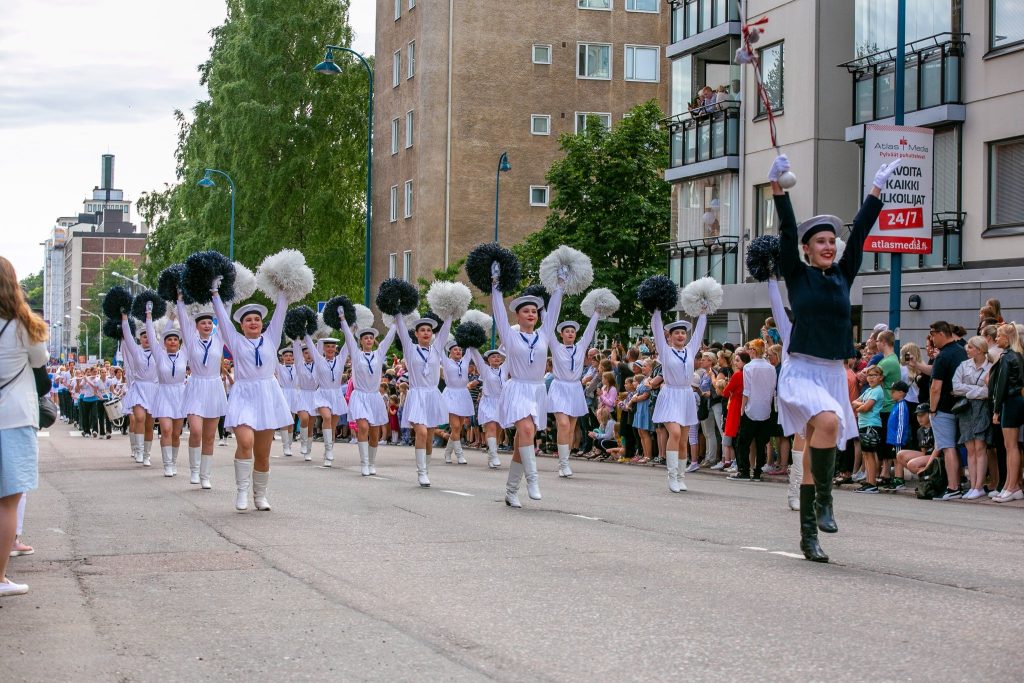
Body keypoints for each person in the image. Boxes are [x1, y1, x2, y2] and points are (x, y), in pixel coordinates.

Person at [771, 153, 898, 562]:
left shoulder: (844, 274)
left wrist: (875, 191)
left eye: (831, 241)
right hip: (801, 369)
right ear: (807, 250)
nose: (828, 246)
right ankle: (826, 502)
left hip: (832, 372)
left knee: (816, 446)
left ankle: (809, 536)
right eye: (820, 242)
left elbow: (860, 231)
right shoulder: (797, 274)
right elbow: (787, 229)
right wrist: (777, 190)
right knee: (826, 422)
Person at [211, 284, 292, 512]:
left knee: (263, 454)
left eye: (257, 319)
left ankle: (260, 495)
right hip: (244, 395)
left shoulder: (271, 338)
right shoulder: (235, 341)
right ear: (241, 325)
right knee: (245, 442)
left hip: (267, 396)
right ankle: (241, 492)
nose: (253, 322)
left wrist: (284, 289)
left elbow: (280, 311)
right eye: (248, 320)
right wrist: (216, 293)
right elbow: (222, 320)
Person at [492, 268, 565, 508]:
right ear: (518, 316)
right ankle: (532, 481)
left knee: (523, 439)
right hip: (517, 388)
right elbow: (499, 313)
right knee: (524, 429)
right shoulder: (510, 336)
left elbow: (553, 311)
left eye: (534, 311)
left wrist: (560, 284)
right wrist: (495, 286)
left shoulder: (544, 334)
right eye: (526, 311)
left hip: (537, 390)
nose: (531, 314)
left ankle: (511, 490)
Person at [0, 255, 49, 597]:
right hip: (15, 417)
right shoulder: (24, 324)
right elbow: (40, 362)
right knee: (7, 503)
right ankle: (0, 578)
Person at [648, 300, 708, 493]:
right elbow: (657, 332)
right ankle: (671, 476)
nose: (681, 335)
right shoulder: (665, 351)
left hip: (686, 395)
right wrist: (656, 310)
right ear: (670, 336)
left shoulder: (691, 349)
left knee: (683, 439)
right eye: (677, 333)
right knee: (674, 433)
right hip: (670, 394)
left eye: (683, 333)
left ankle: (681, 477)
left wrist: (703, 312)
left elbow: (699, 333)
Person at [543, 291, 600, 479]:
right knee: (563, 424)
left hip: (575, 388)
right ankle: (563, 463)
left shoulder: (582, 346)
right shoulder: (556, 346)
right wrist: (543, 310)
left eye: (573, 331)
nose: (570, 333)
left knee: (572, 426)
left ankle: (565, 460)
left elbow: (590, 331)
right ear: (561, 334)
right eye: (566, 331)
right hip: (559, 387)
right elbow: (548, 329)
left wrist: (597, 313)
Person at [395, 312, 453, 488]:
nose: (426, 333)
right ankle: (421, 472)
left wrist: (450, 313)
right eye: (422, 330)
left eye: (429, 330)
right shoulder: (410, 349)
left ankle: (426, 470)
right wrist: (398, 313)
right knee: (420, 432)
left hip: (432, 396)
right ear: (417, 334)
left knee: (428, 437)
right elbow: (402, 330)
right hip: (417, 395)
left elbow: (445, 331)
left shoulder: (436, 349)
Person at [341, 320, 398, 476]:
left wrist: (395, 324)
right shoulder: (356, 353)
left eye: (371, 338)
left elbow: (388, 340)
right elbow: (347, 336)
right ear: (360, 341)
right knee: (363, 427)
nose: (368, 340)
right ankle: (364, 463)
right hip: (359, 395)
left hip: (374, 397)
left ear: (374, 341)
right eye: (365, 338)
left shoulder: (379, 353)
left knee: (374, 433)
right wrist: (344, 321)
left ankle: (372, 462)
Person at [927, 321, 969, 501]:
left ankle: (952, 487)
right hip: (961, 405)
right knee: (958, 447)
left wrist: (932, 409)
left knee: (947, 447)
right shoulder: (961, 350)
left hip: (943, 407)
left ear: (942, 333)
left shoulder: (943, 356)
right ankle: (958, 482)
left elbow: (936, 387)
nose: (931, 339)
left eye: (933, 335)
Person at [142, 312, 187, 478]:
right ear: (164, 343)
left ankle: (173, 461)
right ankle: (167, 465)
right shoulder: (159, 354)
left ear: (179, 342)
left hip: (180, 394)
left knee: (176, 433)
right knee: (166, 430)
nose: (173, 342)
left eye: (175, 339)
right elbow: (153, 338)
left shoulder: (184, 354)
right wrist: (149, 317)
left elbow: (189, 332)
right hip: (164, 393)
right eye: (169, 339)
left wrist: (181, 316)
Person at [727, 339, 776, 482]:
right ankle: (757, 472)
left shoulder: (748, 368)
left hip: (751, 407)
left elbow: (747, 390)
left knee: (743, 442)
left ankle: (744, 470)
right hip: (766, 408)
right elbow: (772, 389)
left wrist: (742, 408)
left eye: (750, 349)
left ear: (754, 351)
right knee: (761, 443)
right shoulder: (771, 368)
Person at [951, 336, 992, 500]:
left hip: (982, 408)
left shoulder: (990, 366)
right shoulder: (963, 365)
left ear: (979, 350)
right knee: (969, 447)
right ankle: (972, 484)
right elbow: (956, 387)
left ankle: (979, 485)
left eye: (970, 347)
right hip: (966, 408)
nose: (966, 349)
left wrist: (969, 391)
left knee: (980, 446)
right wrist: (976, 390)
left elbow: (989, 391)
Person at [302, 332, 350, 467]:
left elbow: (349, 344)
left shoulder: (341, 359)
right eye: (327, 346)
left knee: (333, 427)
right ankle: (329, 451)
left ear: (336, 349)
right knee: (326, 418)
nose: (330, 349)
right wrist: (306, 332)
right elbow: (310, 345)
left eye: (332, 347)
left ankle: (328, 450)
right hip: (322, 393)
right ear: (323, 349)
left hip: (336, 394)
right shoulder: (318, 359)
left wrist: (350, 331)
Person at [990, 323, 1024, 503]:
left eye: (999, 336)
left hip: (1010, 402)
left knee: (1010, 446)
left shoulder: (1008, 356)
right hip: (1018, 400)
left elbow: (1001, 386)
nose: (996, 339)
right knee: (1014, 446)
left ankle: (1011, 487)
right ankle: (1011, 486)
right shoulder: (1018, 355)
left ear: (1008, 338)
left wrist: (996, 409)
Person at [119, 318, 157, 467]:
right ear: (140, 339)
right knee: (139, 418)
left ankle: (147, 454)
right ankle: (139, 451)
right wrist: (124, 318)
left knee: (149, 424)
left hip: (153, 390)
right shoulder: (136, 351)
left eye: (149, 336)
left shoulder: (158, 351)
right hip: (138, 387)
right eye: (144, 336)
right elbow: (127, 335)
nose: (147, 339)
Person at [465, 347, 506, 469]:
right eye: (493, 357)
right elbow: (477, 358)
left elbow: (511, 354)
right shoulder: (485, 370)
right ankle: (494, 456)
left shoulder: (504, 369)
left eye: (498, 356)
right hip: (488, 401)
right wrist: (472, 346)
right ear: (488, 360)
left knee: (498, 430)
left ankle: (492, 452)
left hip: (501, 402)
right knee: (491, 427)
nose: (496, 358)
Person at [441, 340, 474, 465]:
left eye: (460, 349)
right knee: (455, 426)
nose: (458, 351)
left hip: (463, 394)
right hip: (450, 394)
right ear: (450, 352)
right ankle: (459, 454)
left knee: (459, 428)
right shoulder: (446, 361)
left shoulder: (465, 361)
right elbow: (439, 348)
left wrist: (471, 336)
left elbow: (470, 349)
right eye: (455, 349)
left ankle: (448, 452)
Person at [851, 366, 884, 493]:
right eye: (869, 375)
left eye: (874, 375)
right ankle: (868, 481)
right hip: (863, 424)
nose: (870, 378)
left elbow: (866, 408)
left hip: (872, 424)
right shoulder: (868, 391)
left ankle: (872, 483)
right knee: (866, 454)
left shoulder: (877, 391)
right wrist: (861, 405)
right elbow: (854, 402)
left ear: (880, 378)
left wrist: (860, 406)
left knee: (870, 454)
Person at [290, 340, 319, 461]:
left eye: (311, 353)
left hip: (314, 395)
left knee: (311, 425)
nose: (309, 355)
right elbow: (296, 351)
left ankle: (308, 450)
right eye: (306, 353)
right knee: (304, 418)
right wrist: (296, 339)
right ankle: (303, 442)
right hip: (302, 394)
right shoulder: (299, 364)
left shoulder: (318, 365)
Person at [881, 380, 910, 490]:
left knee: (898, 459)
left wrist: (899, 439)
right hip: (892, 438)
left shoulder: (902, 405)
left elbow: (902, 423)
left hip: (897, 439)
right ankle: (896, 479)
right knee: (894, 458)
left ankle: (899, 480)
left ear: (901, 393)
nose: (891, 394)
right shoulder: (896, 405)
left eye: (894, 391)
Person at [275, 347, 298, 458]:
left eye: (290, 355)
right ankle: (285, 446)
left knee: (291, 421)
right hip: (284, 393)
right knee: (285, 420)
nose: (289, 357)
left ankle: (289, 444)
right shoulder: (279, 368)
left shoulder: (297, 367)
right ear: (282, 357)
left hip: (294, 393)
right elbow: (273, 359)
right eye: (286, 356)